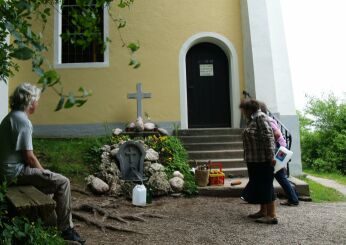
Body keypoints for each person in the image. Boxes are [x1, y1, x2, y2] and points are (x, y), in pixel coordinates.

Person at [0, 83, 86, 244]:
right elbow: (29, 157)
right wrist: (44, 173)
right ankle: (66, 230)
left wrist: (43, 175)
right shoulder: (23, 122)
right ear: (30, 102)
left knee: (49, 182)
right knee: (63, 182)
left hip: (7, 173)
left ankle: (51, 220)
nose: (37, 104)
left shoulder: (11, 117)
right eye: (37, 101)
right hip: (14, 174)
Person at [240, 99, 278, 224]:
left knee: (266, 185)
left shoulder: (260, 118)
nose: (243, 112)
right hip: (254, 159)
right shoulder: (253, 119)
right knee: (259, 185)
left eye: (244, 110)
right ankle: (263, 211)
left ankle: (271, 215)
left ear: (249, 109)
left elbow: (268, 137)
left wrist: (271, 156)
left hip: (263, 159)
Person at [259, 102, 299, 206]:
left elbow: (277, 134)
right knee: (279, 174)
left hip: (279, 149)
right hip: (280, 148)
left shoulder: (267, 120)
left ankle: (293, 199)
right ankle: (293, 197)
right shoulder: (268, 119)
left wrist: (277, 149)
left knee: (279, 175)